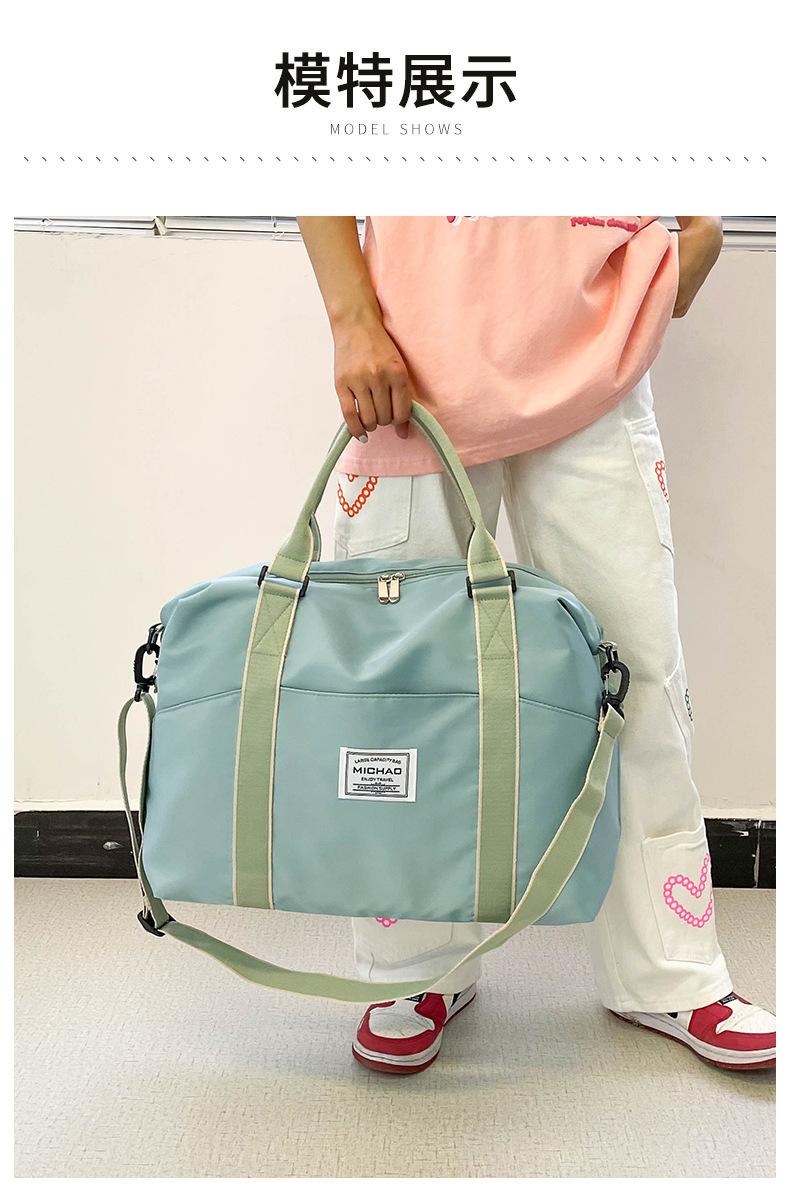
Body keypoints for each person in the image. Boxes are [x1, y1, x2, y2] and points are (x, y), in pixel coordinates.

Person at [297, 215, 776, 1075]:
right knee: (404, 692)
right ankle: (415, 967)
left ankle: (669, 969)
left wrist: (703, 225)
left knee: (636, 678)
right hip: (413, 364)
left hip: (598, 350)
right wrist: (353, 321)